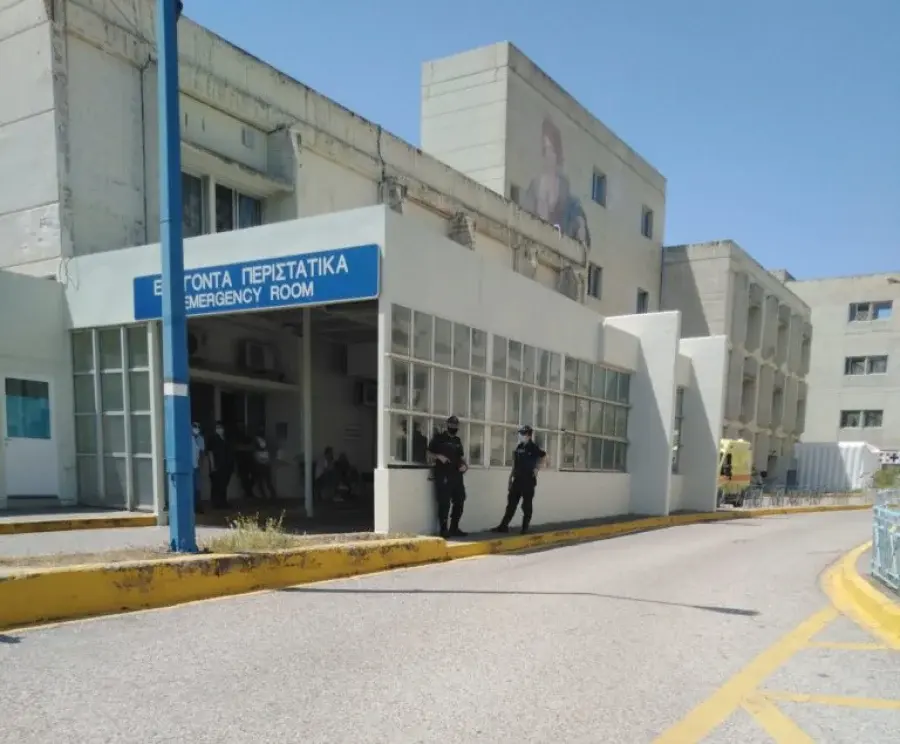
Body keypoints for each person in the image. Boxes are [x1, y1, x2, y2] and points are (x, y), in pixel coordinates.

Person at [492, 424, 547, 535]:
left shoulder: (533, 447)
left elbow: (544, 456)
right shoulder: (519, 447)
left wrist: (537, 468)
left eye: (523, 434)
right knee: (511, 504)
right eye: (520, 433)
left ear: (528, 435)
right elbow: (515, 464)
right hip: (517, 480)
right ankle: (503, 526)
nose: (521, 436)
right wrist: (510, 478)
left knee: (526, 506)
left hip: (528, 481)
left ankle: (525, 528)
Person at [427, 415, 468, 538]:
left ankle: (454, 528)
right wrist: (439, 456)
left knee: (460, 500)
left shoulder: (457, 440)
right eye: (451, 424)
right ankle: (443, 529)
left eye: (456, 425)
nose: (453, 427)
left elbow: (460, 457)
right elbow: (428, 453)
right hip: (443, 475)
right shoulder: (439, 438)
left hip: (457, 476)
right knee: (444, 502)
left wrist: (464, 466)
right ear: (447, 425)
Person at [207, 421, 234, 510]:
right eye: (218, 428)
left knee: (224, 484)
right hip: (217, 465)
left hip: (227, 465)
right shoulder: (213, 439)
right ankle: (216, 503)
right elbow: (210, 452)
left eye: (221, 428)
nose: (220, 430)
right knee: (216, 485)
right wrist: (212, 465)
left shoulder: (226, 439)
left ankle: (223, 502)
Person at [252, 428, 277, 501]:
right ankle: (268, 496)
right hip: (263, 465)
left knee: (264, 482)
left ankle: (268, 496)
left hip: (262, 465)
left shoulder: (260, 446)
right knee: (264, 482)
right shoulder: (261, 447)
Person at [191, 421, 205, 514]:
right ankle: (192, 506)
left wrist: (201, 465)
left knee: (197, 487)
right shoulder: (188, 438)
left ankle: (198, 506)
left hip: (196, 467)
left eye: (198, 427)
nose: (196, 429)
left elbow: (202, 453)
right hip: (189, 467)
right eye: (194, 427)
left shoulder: (200, 439)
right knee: (190, 487)